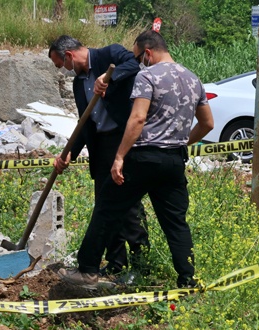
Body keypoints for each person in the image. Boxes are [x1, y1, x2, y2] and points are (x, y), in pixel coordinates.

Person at [58, 30, 214, 288]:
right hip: (174, 161)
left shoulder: (147, 76)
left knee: (107, 209)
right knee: (175, 223)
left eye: (138, 56)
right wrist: (180, 142)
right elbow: (207, 123)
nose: (138, 61)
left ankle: (87, 271)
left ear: (148, 53)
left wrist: (119, 157)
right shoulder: (193, 78)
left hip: (142, 157)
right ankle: (187, 279)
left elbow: (138, 118)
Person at [48, 35, 150, 282]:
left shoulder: (110, 55)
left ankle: (141, 266)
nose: (64, 71)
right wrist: (69, 151)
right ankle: (116, 263)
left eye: (62, 65)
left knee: (128, 206)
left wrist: (108, 76)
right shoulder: (78, 84)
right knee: (104, 205)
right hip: (101, 146)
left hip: (122, 141)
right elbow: (85, 123)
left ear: (70, 55)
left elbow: (133, 65)